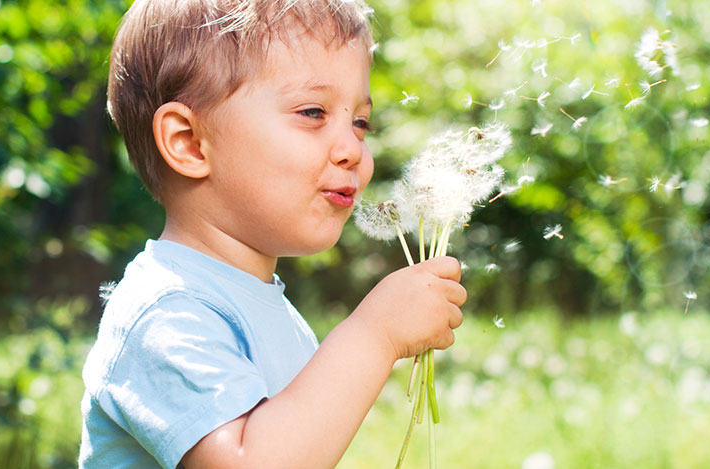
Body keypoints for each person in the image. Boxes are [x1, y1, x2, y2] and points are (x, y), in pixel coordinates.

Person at [78, 0, 467, 467]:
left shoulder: (261, 305)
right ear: (188, 142)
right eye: (312, 112)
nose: (353, 150)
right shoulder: (165, 313)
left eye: (359, 122)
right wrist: (375, 334)